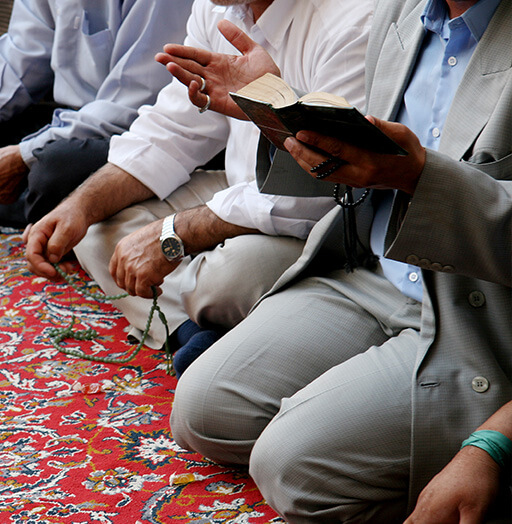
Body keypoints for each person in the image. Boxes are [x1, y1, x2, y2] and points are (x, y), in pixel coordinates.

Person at [166, 0, 512, 520]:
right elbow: (366, 164)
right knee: (203, 411)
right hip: (373, 271)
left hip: (476, 311)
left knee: (292, 466)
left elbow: (408, 169)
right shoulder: (402, 12)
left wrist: (416, 178)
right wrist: (280, 117)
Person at [24, 0, 373, 376]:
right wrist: (79, 206)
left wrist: (175, 235)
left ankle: (204, 311)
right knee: (94, 227)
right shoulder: (216, 9)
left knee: (228, 279)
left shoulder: (353, 21)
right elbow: (174, 130)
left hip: (330, 219)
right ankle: (187, 330)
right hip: (240, 188)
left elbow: (317, 192)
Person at [0, 0, 193, 227]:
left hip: (135, 130)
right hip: (70, 119)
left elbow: (126, 107)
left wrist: (24, 155)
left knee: (51, 169)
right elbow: (18, 63)